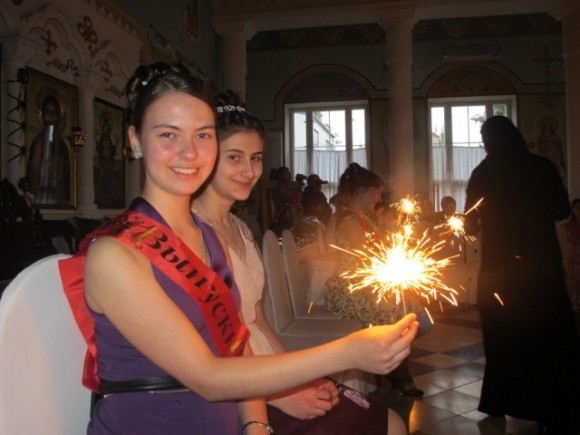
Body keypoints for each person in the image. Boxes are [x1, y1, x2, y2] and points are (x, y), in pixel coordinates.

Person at [58, 63, 418, 435]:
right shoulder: (115, 254)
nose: (189, 152)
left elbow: (237, 344)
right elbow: (207, 377)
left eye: (203, 135)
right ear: (135, 140)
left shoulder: (207, 236)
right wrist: (348, 351)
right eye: (168, 134)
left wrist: (256, 424)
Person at [192, 89, 409, 435]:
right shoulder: (191, 235)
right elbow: (210, 346)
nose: (249, 170)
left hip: (270, 373)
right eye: (234, 157)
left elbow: (259, 321)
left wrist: (295, 379)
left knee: (389, 421)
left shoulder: (240, 228)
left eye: (256, 158)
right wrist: (278, 394)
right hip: (238, 389)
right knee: (386, 427)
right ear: (208, 156)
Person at [464, 116, 580, 434]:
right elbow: (562, 210)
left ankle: (499, 400)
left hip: (500, 270)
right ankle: (551, 405)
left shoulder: (483, 172)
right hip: (540, 268)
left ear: (489, 142)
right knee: (547, 332)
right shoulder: (542, 166)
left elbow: (469, 224)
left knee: (503, 335)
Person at [324, 163, 425, 397]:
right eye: (376, 193)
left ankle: (389, 366)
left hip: (362, 286)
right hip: (349, 291)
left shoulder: (360, 219)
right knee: (401, 310)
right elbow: (366, 255)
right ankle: (394, 371)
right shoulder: (347, 220)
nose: (379, 198)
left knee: (409, 305)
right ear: (361, 191)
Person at [26, 93, 71, 205]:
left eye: (53, 112)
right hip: (41, 192)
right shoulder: (38, 141)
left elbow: (67, 175)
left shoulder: (62, 146)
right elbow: (32, 170)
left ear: (58, 116)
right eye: (47, 112)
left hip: (58, 193)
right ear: (42, 116)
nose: (50, 117)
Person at [557, 198, 580, 312]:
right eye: (578, 208)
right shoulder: (564, 227)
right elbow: (561, 245)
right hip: (570, 260)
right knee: (571, 284)